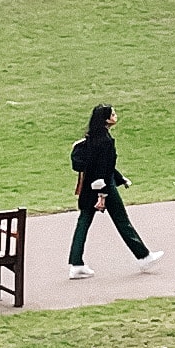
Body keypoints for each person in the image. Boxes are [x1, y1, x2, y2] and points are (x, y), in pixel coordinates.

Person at [66, 103, 149, 274]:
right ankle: (143, 256)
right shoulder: (105, 141)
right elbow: (104, 167)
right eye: (113, 114)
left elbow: (102, 165)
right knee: (122, 220)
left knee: (84, 221)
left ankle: (76, 263)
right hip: (104, 186)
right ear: (106, 119)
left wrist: (120, 178)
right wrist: (102, 194)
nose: (115, 116)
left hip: (91, 185)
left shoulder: (92, 139)